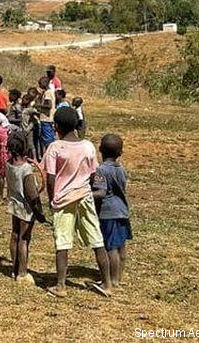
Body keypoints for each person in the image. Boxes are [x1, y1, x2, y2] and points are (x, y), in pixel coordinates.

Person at [44, 107, 113, 298]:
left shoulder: (55, 148)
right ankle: (107, 284)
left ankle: (61, 286)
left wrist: (51, 199)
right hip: (84, 196)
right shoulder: (88, 146)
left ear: (56, 126)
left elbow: (50, 179)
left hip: (63, 199)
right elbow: (93, 174)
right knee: (97, 240)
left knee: (63, 242)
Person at [91, 134, 131, 288]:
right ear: (120, 153)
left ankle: (112, 280)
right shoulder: (121, 169)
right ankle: (118, 277)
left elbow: (101, 192)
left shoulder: (101, 170)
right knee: (121, 246)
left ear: (100, 149)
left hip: (108, 214)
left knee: (111, 248)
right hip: (122, 210)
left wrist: (86, 194)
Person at [5, 132, 45, 285]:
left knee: (15, 235)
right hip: (26, 208)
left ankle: (15, 269)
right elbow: (32, 194)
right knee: (24, 239)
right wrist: (39, 212)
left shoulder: (9, 164)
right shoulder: (26, 169)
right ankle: (22, 273)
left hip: (14, 204)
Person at [37, 76, 57, 151]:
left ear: (44, 83)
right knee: (49, 138)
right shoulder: (48, 92)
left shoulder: (48, 93)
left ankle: (50, 154)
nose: (39, 86)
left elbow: (49, 105)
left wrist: (39, 106)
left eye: (40, 84)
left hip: (46, 119)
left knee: (47, 140)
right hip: (48, 119)